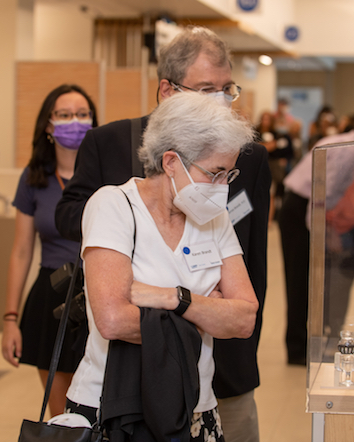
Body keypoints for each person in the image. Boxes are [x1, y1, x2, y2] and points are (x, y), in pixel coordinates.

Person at [56, 26, 270, 442]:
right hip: (117, 410)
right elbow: (114, 317)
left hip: (198, 406)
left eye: (230, 174)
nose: (222, 185)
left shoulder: (213, 214)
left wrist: (169, 296)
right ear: (171, 162)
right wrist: (209, 313)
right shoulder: (112, 202)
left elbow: (244, 316)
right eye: (214, 173)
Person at [0, 84, 97, 416]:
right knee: (63, 415)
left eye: (83, 114)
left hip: (102, 293)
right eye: (65, 115)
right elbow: (21, 251)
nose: (75, 121)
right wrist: (10, 319)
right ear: (48, 125)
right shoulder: (33, 179)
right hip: (52, 296)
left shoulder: (108, 177)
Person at [279, 111, 354, 365]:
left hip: (306, 208)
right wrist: (320, 234)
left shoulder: (348, 147)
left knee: (305, 281)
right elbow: (322, 193)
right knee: (299, 282)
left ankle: (303, 343)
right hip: (301, 210)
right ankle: (297, 348)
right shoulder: (349, 150)